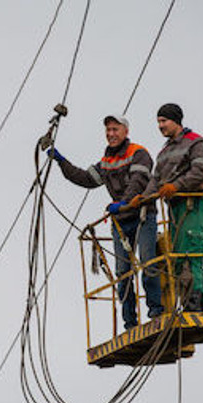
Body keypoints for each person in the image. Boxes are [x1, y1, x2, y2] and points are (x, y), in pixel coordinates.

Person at [47, 115, 163, 330]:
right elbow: (85, 178)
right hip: (120, 222)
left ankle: (156, 312)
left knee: (148, 262)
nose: (111, 134)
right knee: (123, 271)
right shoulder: (107, 161)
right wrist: (61, 161)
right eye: (108, 130)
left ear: (125, 131)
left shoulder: (138, 153)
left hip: (142, 216)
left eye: (115, 129)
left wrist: (124, 203)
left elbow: (138, 182)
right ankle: (130, 323)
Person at [138, 103, 203, 311]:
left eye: (164, 121)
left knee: (190, 255)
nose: (160, 126)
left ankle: (192, 303)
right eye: (158, 122)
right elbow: (156, 180)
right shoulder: (164, 151)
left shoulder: (196, 142)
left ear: (176, 121)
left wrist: (176, 186)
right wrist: (140, 200)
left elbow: (201, 171)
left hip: (194, 206)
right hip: (175, 210)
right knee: (179, 257)